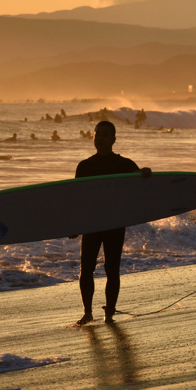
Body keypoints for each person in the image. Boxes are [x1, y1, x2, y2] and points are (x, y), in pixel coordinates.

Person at [74, 120, 150, 325]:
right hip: (91, 224)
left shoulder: (124, 164)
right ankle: (88, 312)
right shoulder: (85, 166)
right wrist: (73, 224)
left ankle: (109, 312)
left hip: (115, 223)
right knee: (86, 269)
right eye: (98, 134)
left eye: (105, 135)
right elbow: (76, 198)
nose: (101, 138)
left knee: (112, 269)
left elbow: (140, 187)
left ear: (114, 139)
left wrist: (145, 173)